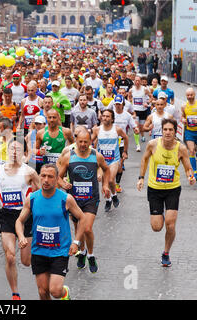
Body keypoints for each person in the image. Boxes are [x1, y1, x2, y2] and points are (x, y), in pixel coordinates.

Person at [15, 163, 87, 300]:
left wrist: (76, 242)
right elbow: (19, 221)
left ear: (56, 179)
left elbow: (82, 218)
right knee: (43, 292)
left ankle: (64, 293)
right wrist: (21, 236)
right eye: (43, 176)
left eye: (50, 176)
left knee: (55, 291)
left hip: (59, 251)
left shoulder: (66, 199)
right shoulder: (32, 198)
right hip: (39, 251)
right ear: (39, 177)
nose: (46, 180)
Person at [0, 140, 40, 300]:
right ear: (7, 151)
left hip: (25, 215)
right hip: (7, 215)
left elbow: (41, 192)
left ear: (24, 153)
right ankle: (15, 293)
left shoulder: (29, 172)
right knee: (10, 256)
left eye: (18, 149)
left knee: (26, 261)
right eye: (12, 148)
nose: (14, 151)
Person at [137, 118, 196, 267]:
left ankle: (166, 253)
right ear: (161, 131)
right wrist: (141, 178)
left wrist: (190, 176)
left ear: (175, 131)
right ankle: (160, 214)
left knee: (170, 224)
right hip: (155, 189)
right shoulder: (153, 145)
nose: (168, 132)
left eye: (171, 130)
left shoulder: (180, 148)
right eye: (165, 130)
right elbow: (144, 160)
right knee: (157, 227)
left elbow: (188, 167)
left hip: (172, 189)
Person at [58, 126, 111, 273]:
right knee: (78, 228)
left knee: (87, 228)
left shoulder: (96, 156)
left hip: (91, 198)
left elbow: (106, 169)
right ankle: (82, 251)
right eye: (80, 141)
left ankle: (91, 254)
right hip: (74, 200)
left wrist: (105, 185)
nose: (82, 145)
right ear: (76, 141)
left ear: (90, 142)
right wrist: (63, 183)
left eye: (85, 142)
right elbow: (58, 177)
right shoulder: (68, 157)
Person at [91, 109, 129, 212]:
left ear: (112, 119)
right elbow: (90, 140)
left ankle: (114, 195)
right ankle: (108, 200)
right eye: (103, 116)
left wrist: (125, 151)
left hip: (114, 159)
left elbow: (125, 138)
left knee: (111, 180)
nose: (105, 118)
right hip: (102, 161)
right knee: (104, 184)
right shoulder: (97, 130)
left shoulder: (117, 129)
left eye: (108, 116)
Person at [181, 88, 197, 181]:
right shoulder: (184, 106)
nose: (189, 97)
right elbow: (182, 116)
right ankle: (194, 172)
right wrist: (183, 120)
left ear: (194, 94)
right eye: (188, 95)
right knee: (191, 151)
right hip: (189, 131)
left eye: (191, 95)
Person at [130, 76, 152, 152]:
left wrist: (147, 102)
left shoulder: (144, 89)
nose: (137, 82)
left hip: (143, 110)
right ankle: (138, 145)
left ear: (140, 81)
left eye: (138, 81)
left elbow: (151, 97)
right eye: (136, 81)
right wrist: (130, 105)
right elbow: (129, 98)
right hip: (135, 111)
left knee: (141, 128)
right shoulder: (131, 90)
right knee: (136, 128)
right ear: (134, 81)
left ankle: (142, 136)